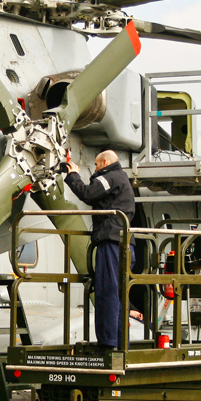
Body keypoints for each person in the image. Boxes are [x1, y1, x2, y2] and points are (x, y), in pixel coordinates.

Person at [64, 150, 136, 350]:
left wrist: (73, 175)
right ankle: (121, 343)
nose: (95, 169)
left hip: (112, 243)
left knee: (107, 291)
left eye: (96, 165)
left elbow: (88, 193)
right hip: (125, 243)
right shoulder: (121, 178)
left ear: (104, 162)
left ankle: (108, 342)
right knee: (119, 293)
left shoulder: (110, 177)